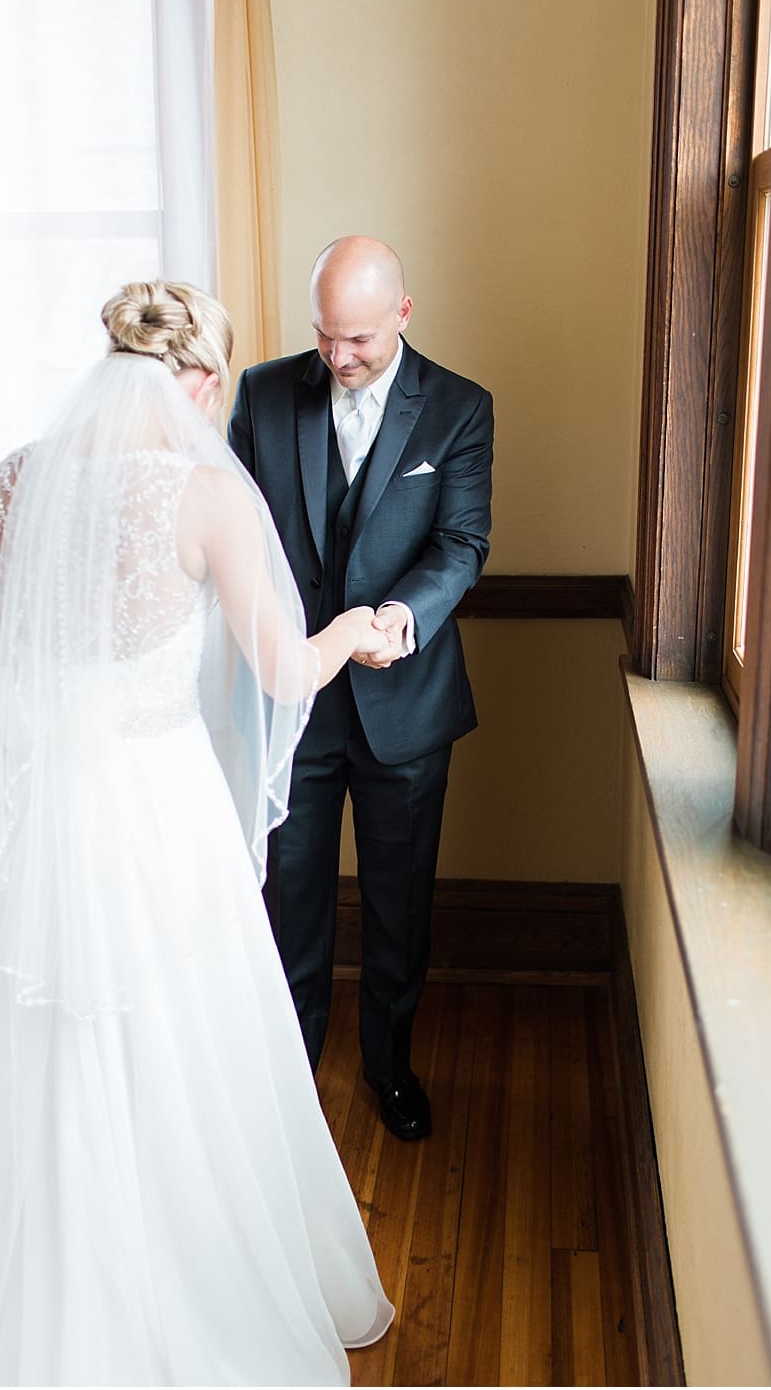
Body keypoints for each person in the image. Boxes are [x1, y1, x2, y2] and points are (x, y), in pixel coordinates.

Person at [0, 282, 395, 1384]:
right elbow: (282, 668)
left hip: (54, 817)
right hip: (159, 803)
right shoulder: (203, 493)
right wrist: (351, 630)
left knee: (66, 1034)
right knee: (189, 1027)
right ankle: (196, 1269)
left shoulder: (14, 479)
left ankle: (71, 1283)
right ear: (200, 381)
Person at [228, 237, 492, 1141]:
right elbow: (235, 534)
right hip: (290, 704)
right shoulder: (263, 395)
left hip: (403, 705)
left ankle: (388, 1066)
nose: (338, 358)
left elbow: (461, 544)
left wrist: (395, 622)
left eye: (360, 341)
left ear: (404, 316)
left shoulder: (459, 408)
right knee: (287, 897)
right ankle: (289, 1074)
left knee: (398, 899)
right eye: (325, 337)